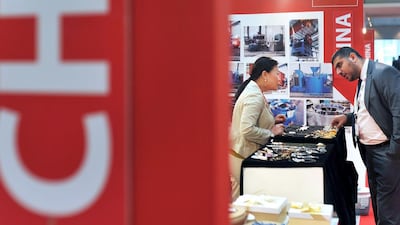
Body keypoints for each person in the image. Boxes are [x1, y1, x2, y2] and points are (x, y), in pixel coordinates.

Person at [331, 47, 400, 225]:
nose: (339, 72)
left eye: (340, 65)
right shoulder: (363, 79)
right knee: (379, 204)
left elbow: (398, 112)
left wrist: (394, 150)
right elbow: (367, 111)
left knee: (389, 210)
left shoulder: (383, 73)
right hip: (370, 152)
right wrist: (347, 118)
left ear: (353, 57)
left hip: (386, 153)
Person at [229, 56, 286, 200]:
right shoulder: (254, 95)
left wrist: (271, 120)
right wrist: (271, 133)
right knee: (244, 201)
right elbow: (247, 129)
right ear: (265, 75)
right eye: (277, 73)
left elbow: (253, 120)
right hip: (242, 157)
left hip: (240, 154)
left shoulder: (255, 91)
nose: (279, 78)